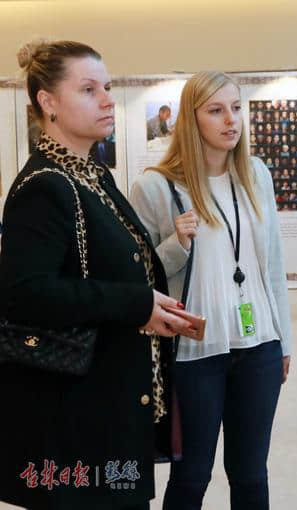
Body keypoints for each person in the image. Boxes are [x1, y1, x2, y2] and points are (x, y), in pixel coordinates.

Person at [0, 39, 192, 510]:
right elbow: (25, 293)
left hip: (111, 397)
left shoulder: (94, 175)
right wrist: (136, 304)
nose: (107, 98)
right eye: (88, 89)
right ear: (48, 103)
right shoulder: (45, 186)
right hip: (75, 412)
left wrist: (150, 305)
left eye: (106, 86)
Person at [129, 71, 292, 510]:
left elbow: (272, 265)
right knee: (191, 475)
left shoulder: (256, 174)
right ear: (191, 119)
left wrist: (284, 340)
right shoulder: (156, 186)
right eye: (216, 110)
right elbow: (135, 280)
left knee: (251, 474)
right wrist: (175, 244)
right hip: (194, 353)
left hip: (259, 346)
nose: (231, 121)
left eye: (236, 108)